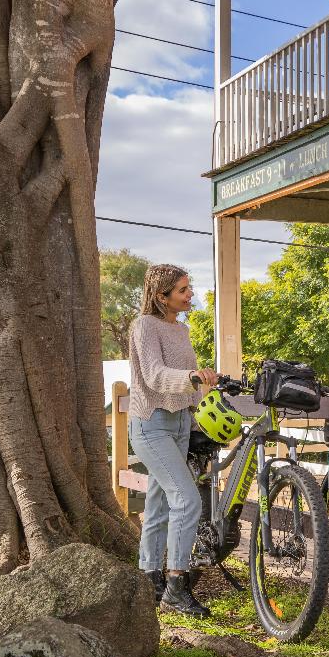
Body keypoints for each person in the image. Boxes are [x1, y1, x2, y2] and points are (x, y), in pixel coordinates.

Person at [128, 264, 218, 618]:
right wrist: (191, 376)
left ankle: (150, 579)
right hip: (152, 424)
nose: (190, 294)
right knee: (187, 500)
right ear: (161, 296)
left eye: (188, 287)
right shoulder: (144, 327)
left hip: (181, 423)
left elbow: (187, 381)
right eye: (183, 290)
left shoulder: (180, 330)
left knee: (160, 503)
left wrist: (203, 388)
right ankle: (176, 586)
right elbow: (153, 375)